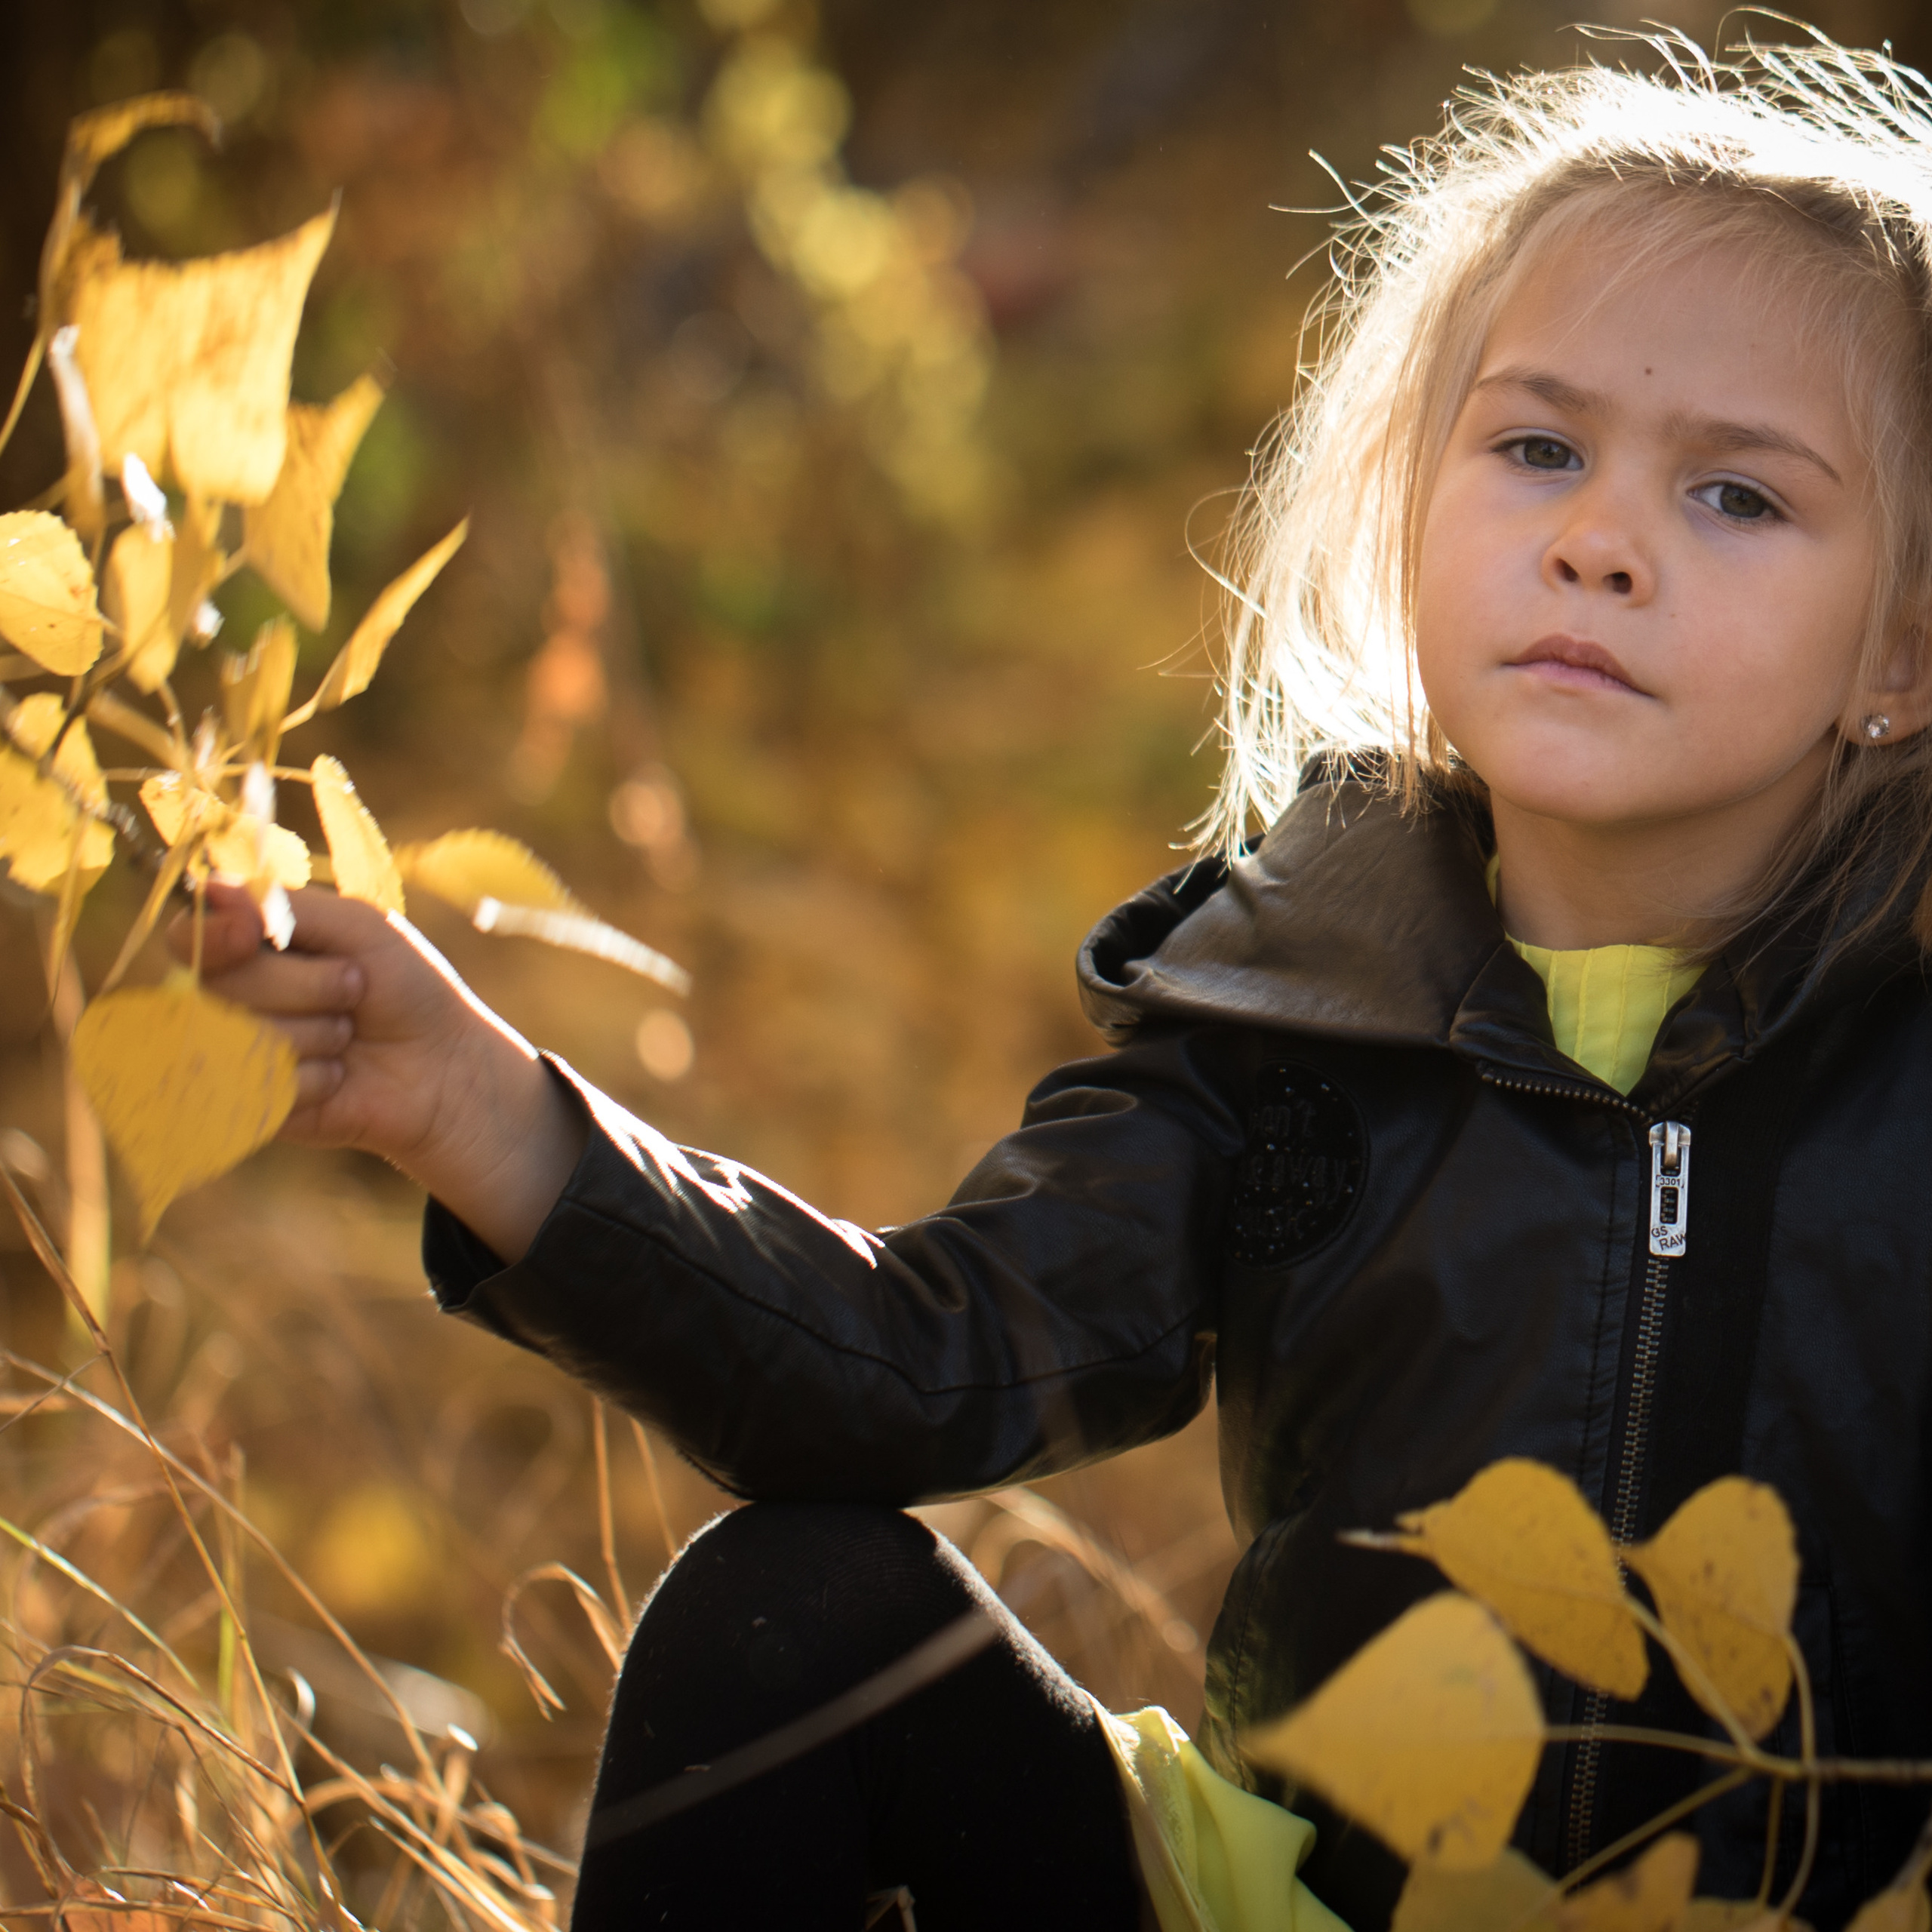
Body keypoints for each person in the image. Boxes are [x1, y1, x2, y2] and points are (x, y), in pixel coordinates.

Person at [174, 27, 1932, 1932]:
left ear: (1902, 652)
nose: (1595, 541)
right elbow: (904, 1372)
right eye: (1534, 448)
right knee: (795, 1614)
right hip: (1288, 1913)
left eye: (1735, 497)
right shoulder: (1287, 1026)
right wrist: (488, 1115)